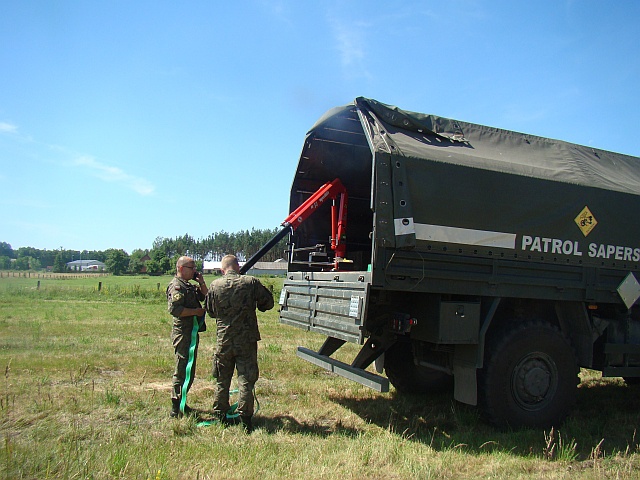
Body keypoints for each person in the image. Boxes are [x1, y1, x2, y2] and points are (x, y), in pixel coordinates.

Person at [205, 254, 274, 432]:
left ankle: (221, 415)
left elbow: (211, 312)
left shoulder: (215, 285)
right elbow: (268, 304)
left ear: (223, 269)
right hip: (246, 340)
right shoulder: (251, 282)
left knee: (222, 379)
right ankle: (245, 420)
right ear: (238, 266)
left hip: (224, 339)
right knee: (246, 379)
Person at [167, 256, 208, 418]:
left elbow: (206, 296)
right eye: (192, 268)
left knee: (189, 370)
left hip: (192, 331)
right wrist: (195, 312)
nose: (195, 271)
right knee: (182, 368)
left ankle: (182, 400)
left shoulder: (189, 286)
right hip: (183, 332)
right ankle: (175, 407)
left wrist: (201, 282)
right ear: (181, 268)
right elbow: (175, 310)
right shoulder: (177, 286)